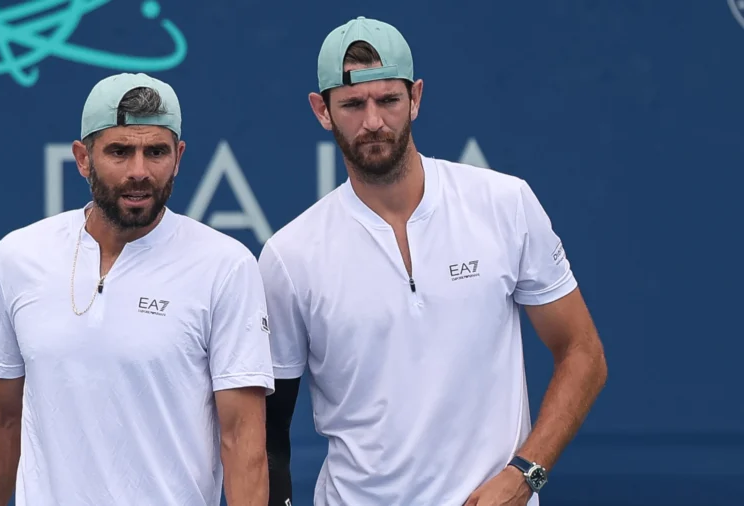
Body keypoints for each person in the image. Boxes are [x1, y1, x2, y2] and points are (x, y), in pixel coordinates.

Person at [260, 16, 608, 506]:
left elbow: (583, 353)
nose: (373, 121)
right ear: (322, 110)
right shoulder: (290, 255)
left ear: (416, 98)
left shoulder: (503, 203)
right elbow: (267, 434)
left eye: (388, 100)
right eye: (353, 104)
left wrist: (524, 474)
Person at [0, 73, 275, 506]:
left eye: (156, 152)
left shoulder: (226, 265)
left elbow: (243, 442)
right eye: (120, 152)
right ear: (83, 158)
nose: (139, 172)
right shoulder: (18, 256)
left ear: (179, 157)